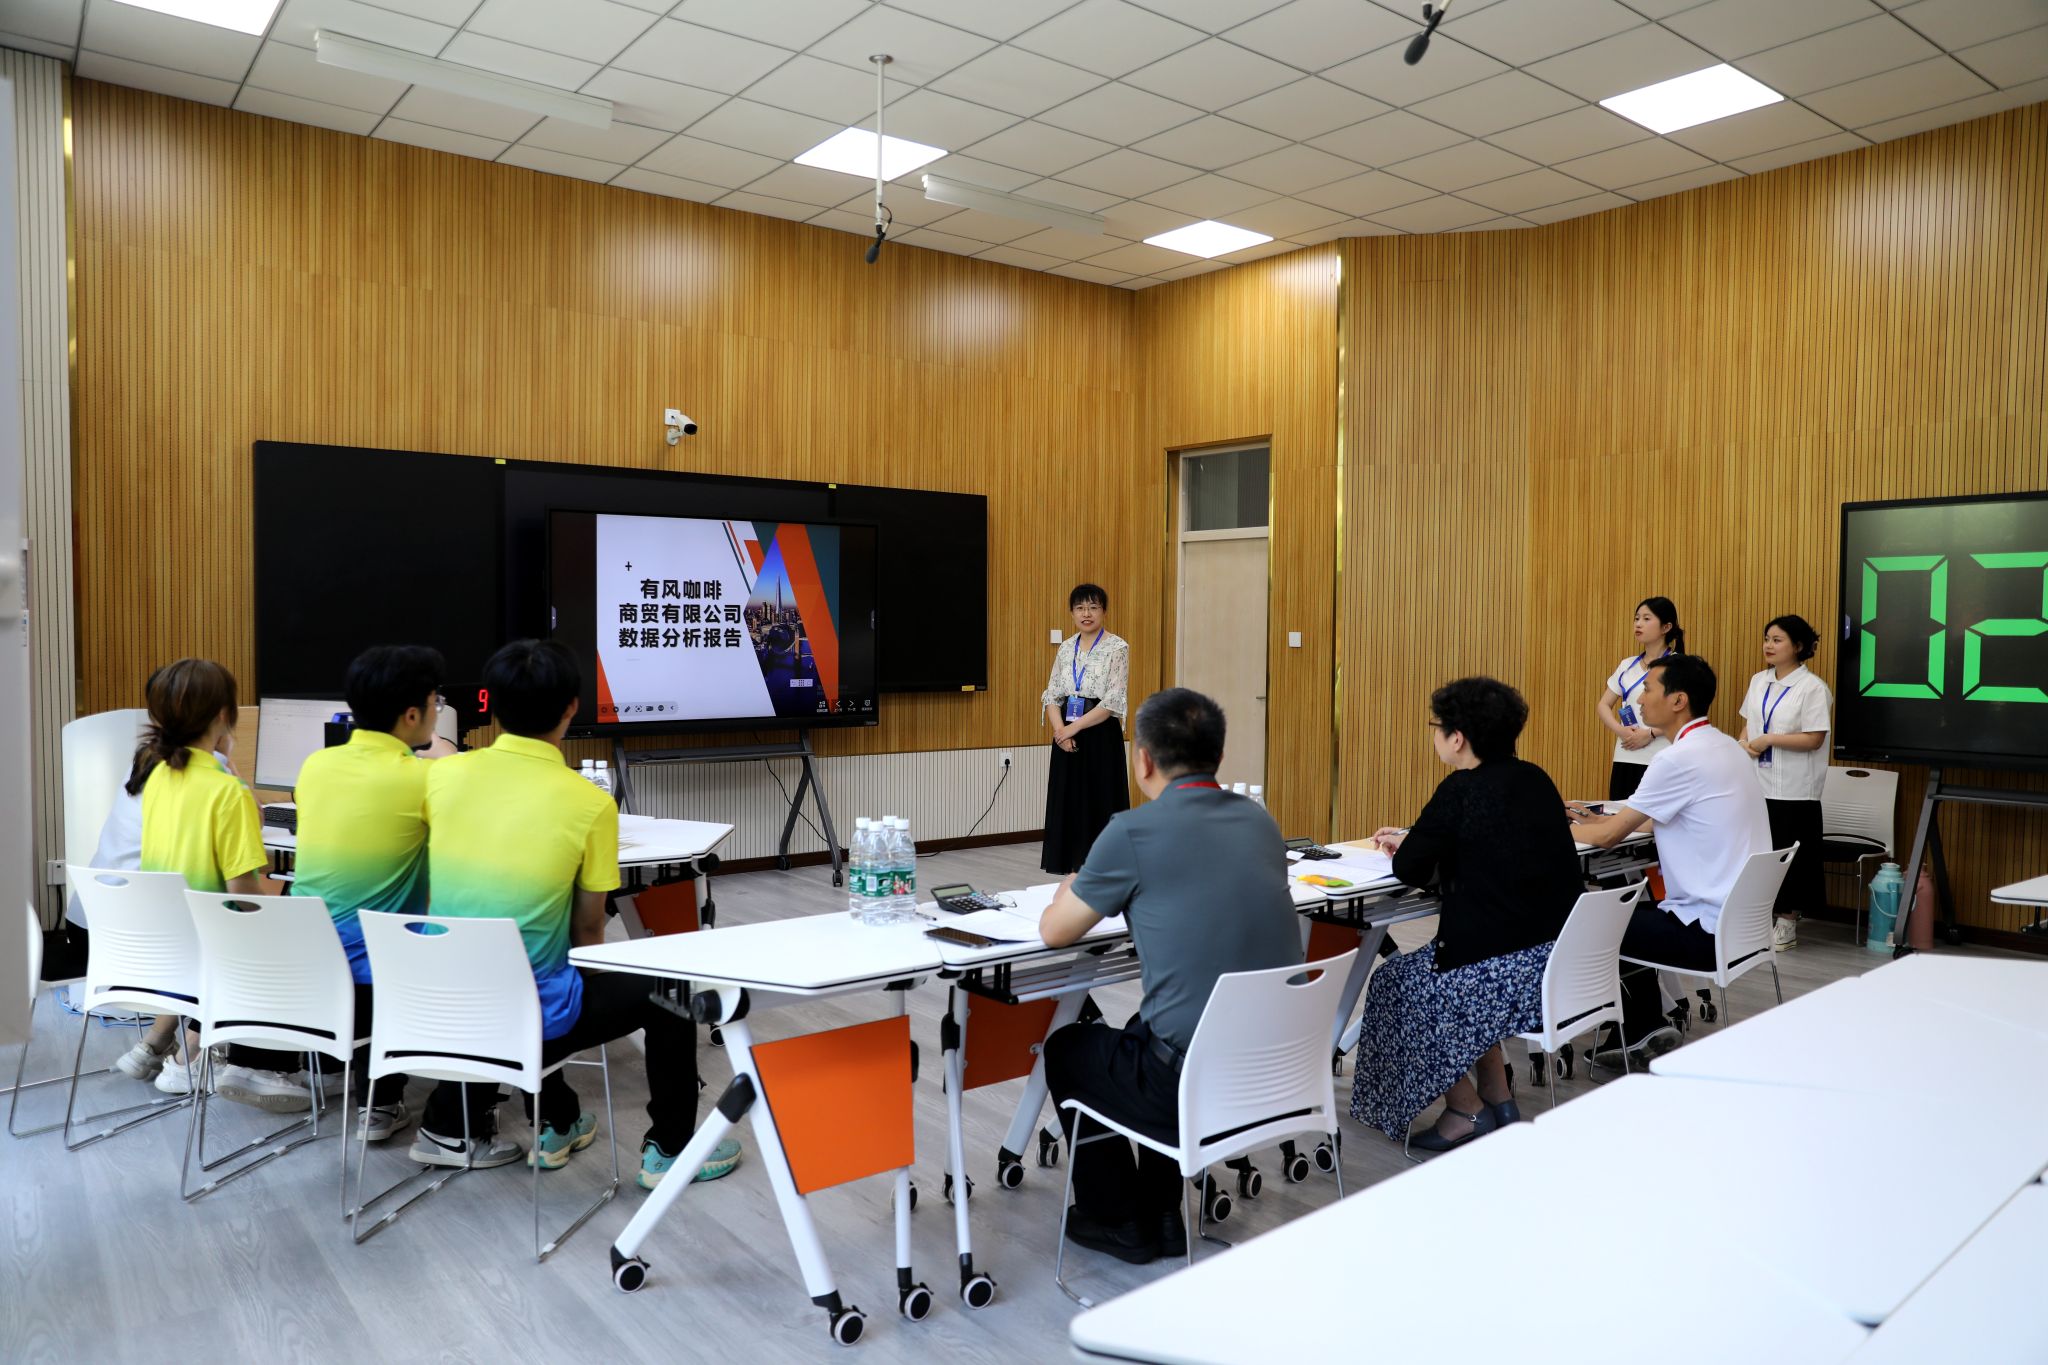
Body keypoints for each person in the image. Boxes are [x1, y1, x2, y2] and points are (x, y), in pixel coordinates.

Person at [419, 639, 740, 1185]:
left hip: (436, 1004)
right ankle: (672, 1148)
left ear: (492, 706)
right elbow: (590, 931)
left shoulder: (441, 777)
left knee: (537, 965)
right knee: (665, 986)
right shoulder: (590, 802)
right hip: (522, 1016)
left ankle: (560, 1120)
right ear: (572, 706)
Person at [1037, 687, 1301, 1266]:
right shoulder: (1259, 820)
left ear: (1143, 760)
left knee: (1069, 1049)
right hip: (1272, 1071)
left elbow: (1055, 931)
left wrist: (1073, 882)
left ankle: (1118, 1220)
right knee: (1148, 1026)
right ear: (1218, 757)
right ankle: (1161, 1213)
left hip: (1191, 1082)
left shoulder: (1132, 831)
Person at [1353, 678, 1580, 1151]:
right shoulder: (1535, 778)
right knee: (1439, 977)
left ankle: (1465, 1111)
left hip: (1496, 969)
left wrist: (1412, 844)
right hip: (1550, 960)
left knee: (1395, 985)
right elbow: (1494, 839)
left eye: (1437, 727)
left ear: (1457, 738)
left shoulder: (1461, 788)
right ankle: (1498, 1097)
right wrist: (1425, 840)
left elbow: (1409, 867)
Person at [1568, 655, 1771, 1060]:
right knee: (1627, 909)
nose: (1639, 700)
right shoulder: (1725, 746)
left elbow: (1608, 838)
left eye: (1648, 689)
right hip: (1742, 927)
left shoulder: (1677, 758)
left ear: (1678, 700)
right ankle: (1643, 1022)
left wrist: (1560, 829)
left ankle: (1637, 1027)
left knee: (1592, 922)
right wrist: (1599, 820)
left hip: (1704, 932)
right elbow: (1660, 817)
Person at [132, 659, 314, 1110]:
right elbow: (243, 893)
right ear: (223, 715)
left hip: (168, 933)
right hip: (213, 939)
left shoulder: (159, 774)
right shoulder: (227, 792)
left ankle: (183, 1047)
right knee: (305, 932)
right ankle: (229, 1062)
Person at [289, 645, 447, 1144]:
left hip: (307, 960)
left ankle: (345, 1072)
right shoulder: (426, 778)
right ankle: (381, 1104)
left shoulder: (316, 765)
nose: (438, 711)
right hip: (376, 976)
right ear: (412, 715)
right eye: (436, 702)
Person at [1736, 615, 1832, 952]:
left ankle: (1788, 921)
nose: (1768, 645)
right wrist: (1744, 742)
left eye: (1777, 640)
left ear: (1798, 646)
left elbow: (1814, 738)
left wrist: (1769, 739)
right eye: (1767, 638)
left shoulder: (1813, 688)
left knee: (1791, 858)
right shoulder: (1758, 681)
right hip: (1757, 783)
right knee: (1759, 853)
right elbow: (1749, 723)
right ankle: (1758, 918)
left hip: (1795, 788)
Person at [1040, 583, 1131, 874]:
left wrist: (1073, 729)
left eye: (1093, 607)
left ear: (1104, 611)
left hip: (1099, 733)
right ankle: (1071, 870)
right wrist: (1060, 731)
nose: (1086, 614)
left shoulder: (1117, 647)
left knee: (1099, 801)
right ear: (1072, 613)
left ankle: (1104, 868)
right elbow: (1052, 695)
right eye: (1080, 608)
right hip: (1065, 734)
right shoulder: (1066, 648)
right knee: (1069, 803)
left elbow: (1113, 700)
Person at [1598, 597, 1685, 802]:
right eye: (1637, 618)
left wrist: (1650, 734)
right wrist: (1621, 731)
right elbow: (1603, 704)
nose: (1638, 624)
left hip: (1661, 754)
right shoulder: (1627, 665)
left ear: (1666, 627)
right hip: (1625, 754)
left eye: (1646, 619)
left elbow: (1685, 715)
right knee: (1619, 812)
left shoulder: (1678, 665)